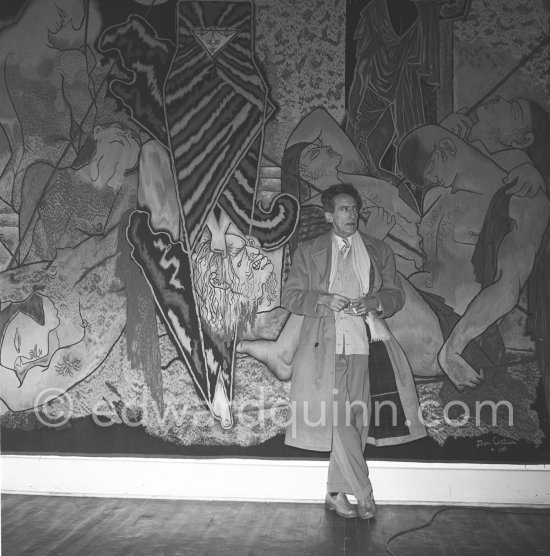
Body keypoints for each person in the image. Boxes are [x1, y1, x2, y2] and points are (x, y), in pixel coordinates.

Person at [279, 183, 426, 519]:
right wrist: (321, 299)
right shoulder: (308, 250)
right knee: (340, 420)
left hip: (366, 345)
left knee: (358, 422)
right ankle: (365, 492)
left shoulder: (378, 250)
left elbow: (395, 295)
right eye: (344, 209)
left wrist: (375, 301)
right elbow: (290, 296)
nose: (351, 215)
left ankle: (334, 492)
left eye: (355, 209)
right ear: (329, 214)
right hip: (324, 349)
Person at [440, 95, 550, 194]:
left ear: (523, 141)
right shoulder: (452, 139)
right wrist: (439, 133)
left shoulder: (519, 167)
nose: (499, 99)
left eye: (513, 109)